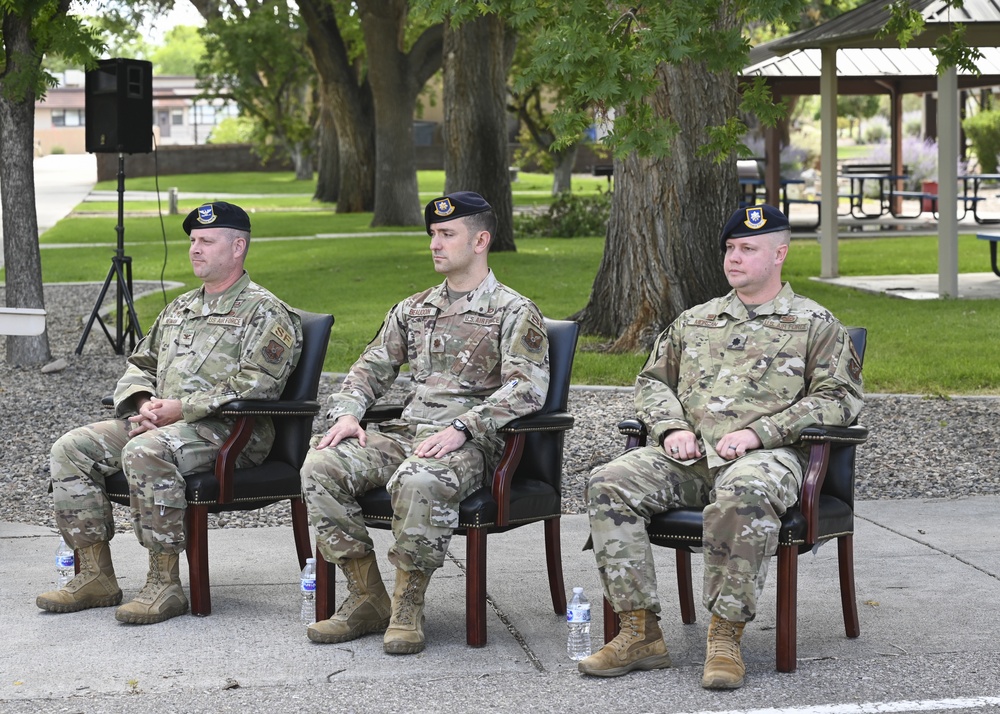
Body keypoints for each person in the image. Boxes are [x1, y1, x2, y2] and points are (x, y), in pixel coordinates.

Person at [579, 204, 864, 689]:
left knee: (744, 492)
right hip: (688, 457)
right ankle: (639, 631)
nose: (734, 258)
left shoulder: (815, 324)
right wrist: (671, 428)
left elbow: (840, 399)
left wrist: (762, 433)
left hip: (766, 458)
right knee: (609, 480)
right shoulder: (696, 320)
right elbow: (651, 382)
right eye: (730, 248)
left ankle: (725, 637)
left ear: (780, 254)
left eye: (747, 248)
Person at [301, 191, 550, 655]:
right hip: (407, 434)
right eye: (433, 234)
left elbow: (527, 389)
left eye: (447, 234)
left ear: (481, 241)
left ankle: (408, 602)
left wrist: (463, 428)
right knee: (320, 465)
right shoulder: (413, 307)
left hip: (471, 444)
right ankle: (367, 595)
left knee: (421, 478)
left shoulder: (514, 311)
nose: (435, 244)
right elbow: (367, 369)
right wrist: (349, 414)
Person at [36, 201, 303, 625]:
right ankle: (94, 576)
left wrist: (181, 409)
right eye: (193, 241)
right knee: (71, 448)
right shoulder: (179, 309)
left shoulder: (266, 312)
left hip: (231, 433)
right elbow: (140, 364)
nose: (195, 249)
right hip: (165, 425)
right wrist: (143, 404)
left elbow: (259, 384)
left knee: (145, 451)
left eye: (207, 241)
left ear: (238, 248)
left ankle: (164, 583)